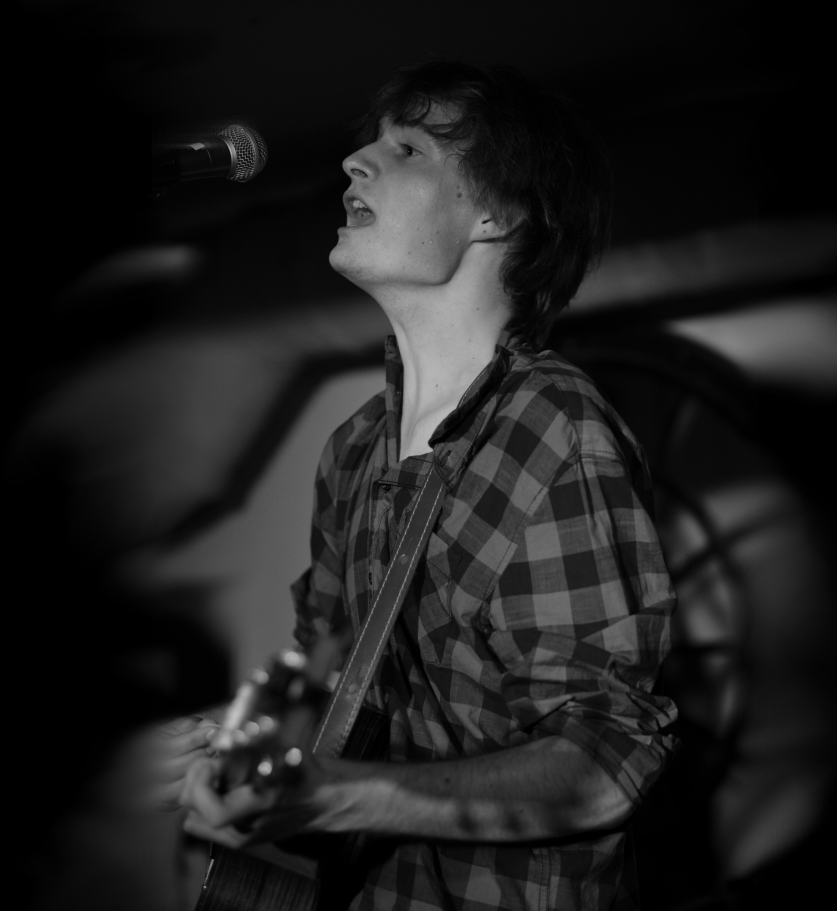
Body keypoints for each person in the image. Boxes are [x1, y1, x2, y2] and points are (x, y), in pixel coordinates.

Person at [175, 60, 678, 910]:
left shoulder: (553, 428)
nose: (353, 162)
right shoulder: (354, 448)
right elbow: (325, 691)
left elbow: (604, 760)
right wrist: (210, 739)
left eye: (407, 148)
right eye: (369, 144)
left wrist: (336, 796)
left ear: (496, 214)